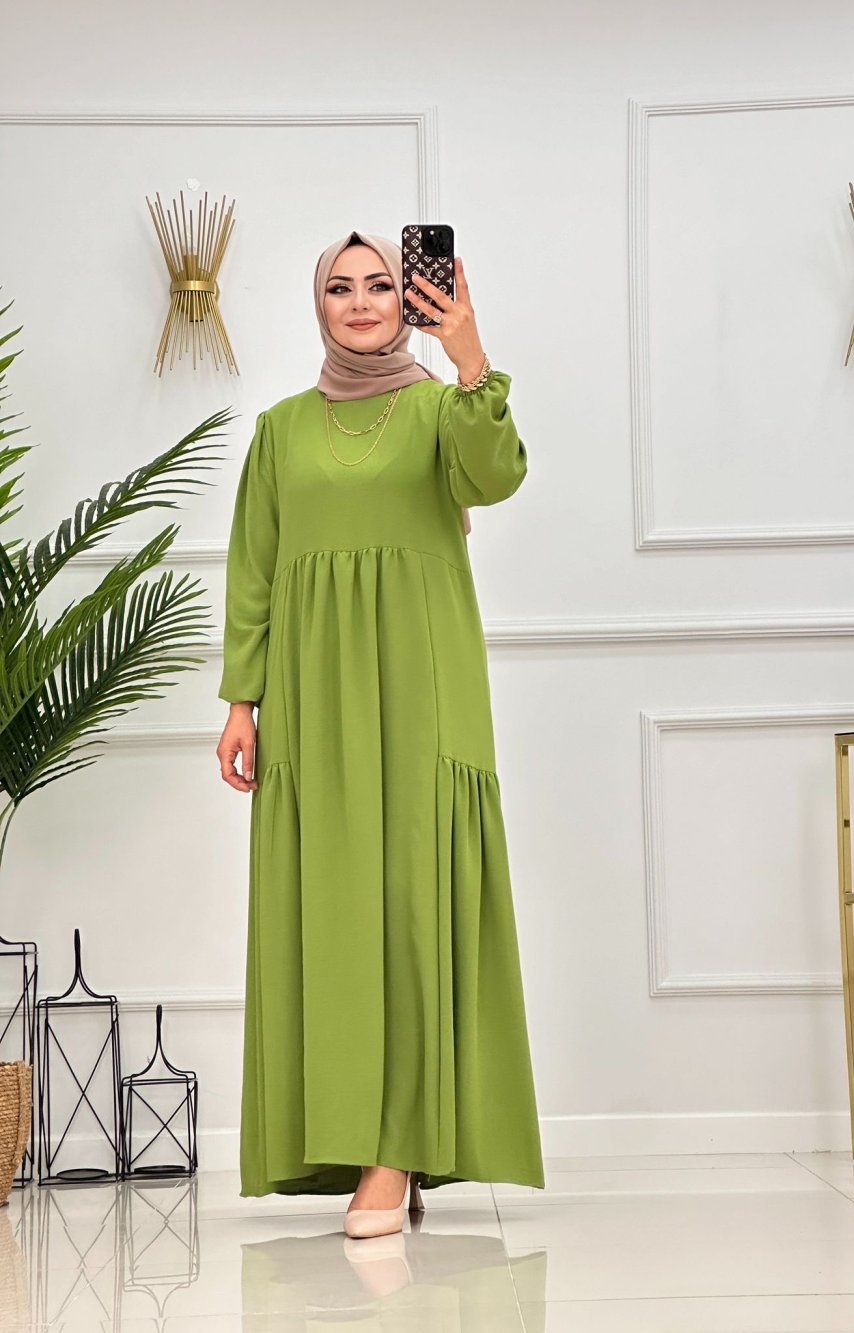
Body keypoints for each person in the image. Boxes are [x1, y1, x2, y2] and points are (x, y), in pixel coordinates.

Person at [215, 229, 545, 1238]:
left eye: (379, 285)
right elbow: (255, 567)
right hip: (313, 696)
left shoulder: (446, 410)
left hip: (424, 685)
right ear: (318, 306)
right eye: (339, 287)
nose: (360, 302)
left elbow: (496, 476)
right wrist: (241, 700)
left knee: (412, 904)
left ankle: (394, 1153)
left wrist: (471, 357)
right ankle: (350, 1134)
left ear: (410, 300)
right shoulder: (279, 429)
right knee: (334, 907)